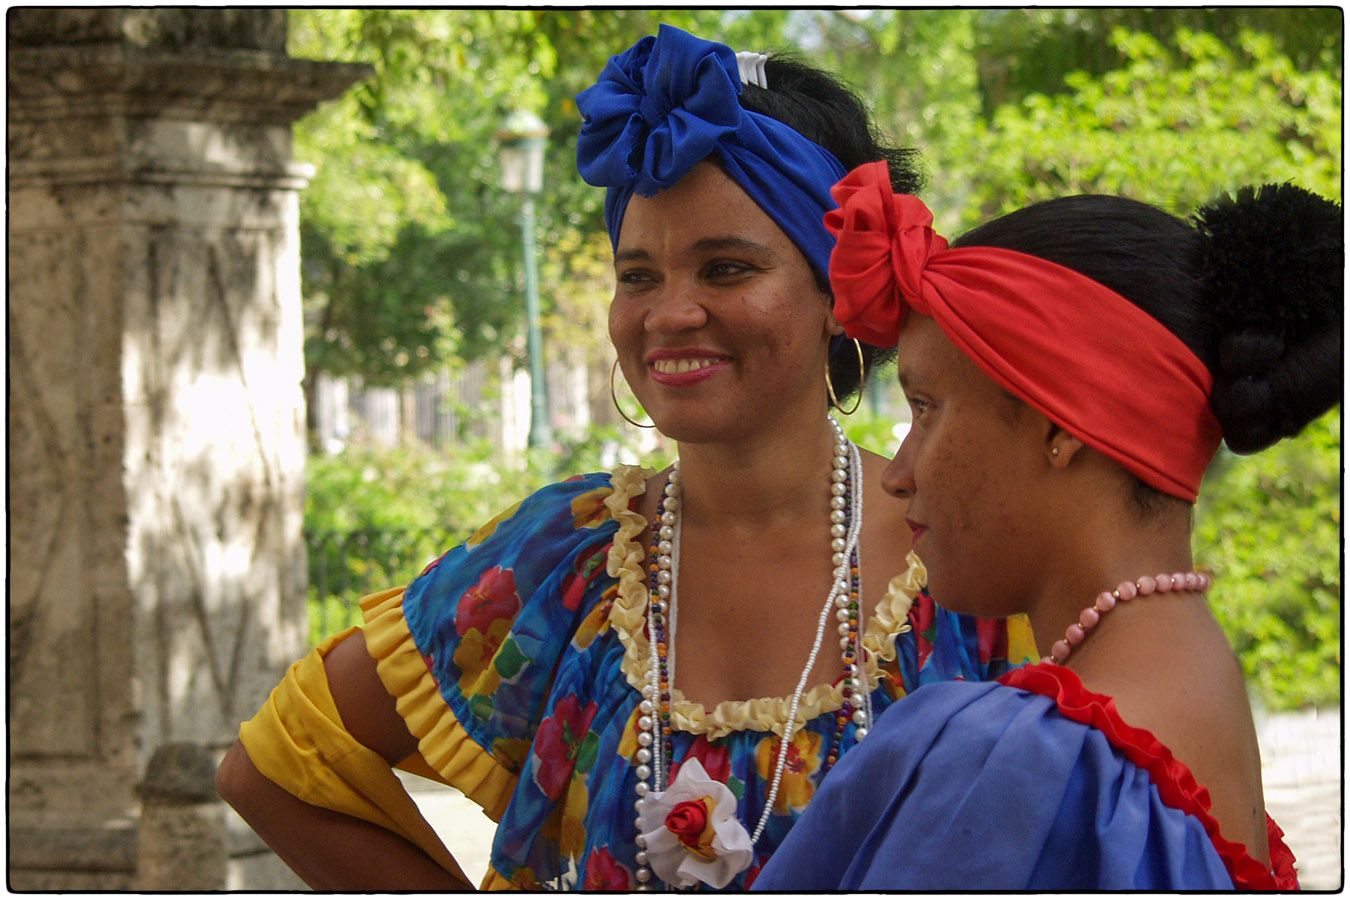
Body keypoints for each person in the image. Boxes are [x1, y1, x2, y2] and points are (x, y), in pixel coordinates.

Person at [215, 26, 1034, 891]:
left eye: (724, 269)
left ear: (839, 293)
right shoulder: (565, 566)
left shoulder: (964, 563)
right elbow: (274, 766)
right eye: (638, 275)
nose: (671, 313)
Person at [753, 161, 1339, 890]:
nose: (899, 470)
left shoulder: (1016, 761)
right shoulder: (1205, 685)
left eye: (927, 406)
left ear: (1061, 428)